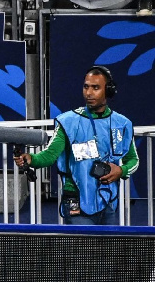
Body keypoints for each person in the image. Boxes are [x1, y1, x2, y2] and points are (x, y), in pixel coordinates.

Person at [15, 67, 138, 226]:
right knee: (82, 250)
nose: (89, 93)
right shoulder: (68, 122)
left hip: (108, 201)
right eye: (86, 86)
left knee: (107, 251)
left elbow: (133, 160)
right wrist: (31, 159)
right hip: (76, 202)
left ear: (108, 91)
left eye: (95, 88)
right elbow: (50, 155)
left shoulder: (123, 124)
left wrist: (121, 170)